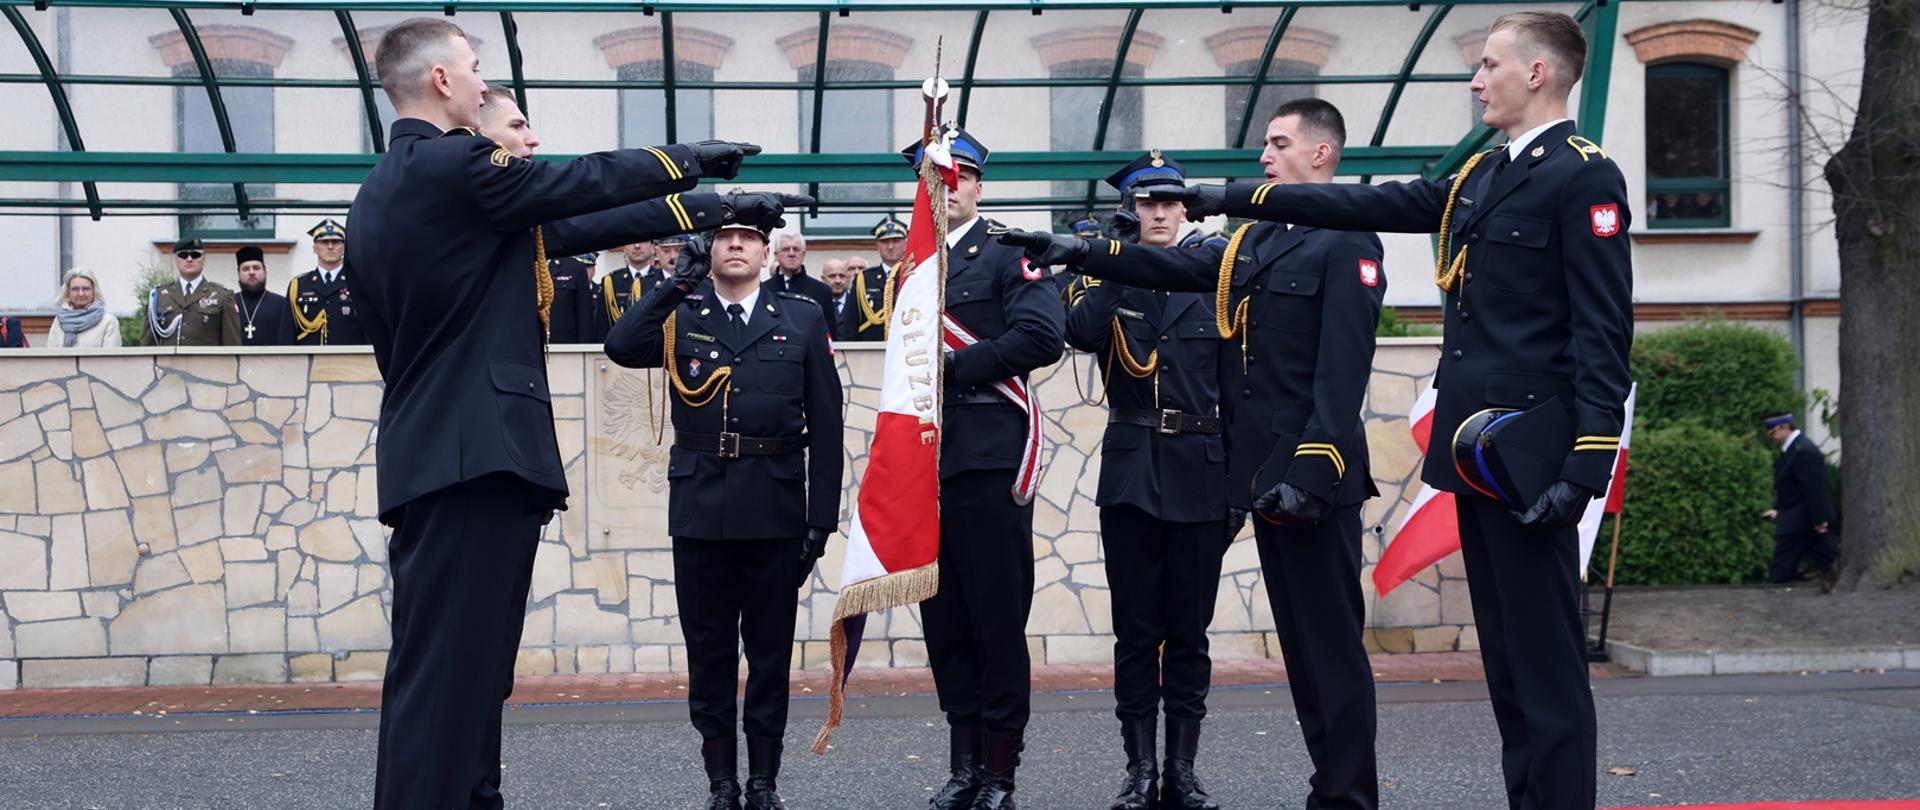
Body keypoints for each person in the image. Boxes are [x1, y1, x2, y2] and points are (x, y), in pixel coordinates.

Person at [1100, 13, 1631, 809]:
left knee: (1547, 676)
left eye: (1489, 65)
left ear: (1538, 73)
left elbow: (1603, 330)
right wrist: (1222, 196)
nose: (1476, 80)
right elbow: (1373, 202)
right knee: (1509, 674)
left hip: (1535, 456)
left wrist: (1588, 464)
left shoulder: (1583, 176)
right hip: (1479, 455)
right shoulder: (1482, 175)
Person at [343, 16, 764, 808]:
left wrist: (712, 206)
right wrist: (688, 158)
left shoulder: (386, 191)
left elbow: (574, 223)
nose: (480, 81)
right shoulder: (453, 163)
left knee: (465, 676)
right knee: (448, 681)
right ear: (441, 79)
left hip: (446, 454)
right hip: (471, 459)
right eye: (473, 66)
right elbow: (577, 186)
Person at [1007, 106, 1388, 808]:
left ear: (1321, 153)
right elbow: (1173, 268)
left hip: (1313, 477)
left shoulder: (1345, 240)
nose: (1263, 154)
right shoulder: (1262, 237)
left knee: (1331, 650)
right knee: (1303, 656)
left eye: (1277, 142)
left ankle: (1349, 797)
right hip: (1267, 478)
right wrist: (1078, 252)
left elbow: (1342, 372)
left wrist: (1313, 469)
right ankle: (1328, 789)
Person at [605, 216, 840, 810]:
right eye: (724, 237)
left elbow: (827, 424)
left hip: (775, 510)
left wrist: (821, 519)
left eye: (749, 238)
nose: (736, 244)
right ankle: (721, 784)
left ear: (766, 253)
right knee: (708, 653)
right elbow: (621, 346)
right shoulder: (682, 314)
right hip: (701, 508)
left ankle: (762, 783)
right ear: (706, 250)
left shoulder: (802, 317)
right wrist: (675, 284)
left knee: (770, 654)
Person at [1061, 151, 1241, 810]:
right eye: (1147, 203)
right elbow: (1079, 332)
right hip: (1132, 470)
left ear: (1185, 208)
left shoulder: (1214, 275)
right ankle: (1138, 769)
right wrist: (1115, 262)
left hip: (1200, 469)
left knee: (1189, 634)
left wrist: (1237, 487)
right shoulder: (1108, 269)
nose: (1160, 212)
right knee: (1136, 632)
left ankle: (1181, 771)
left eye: (1170, 202)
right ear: (1130, 210)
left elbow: (1235, 389)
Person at [908, 128, 1064, 810]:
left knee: (996, 620)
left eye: (957, 177)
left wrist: (954, 366)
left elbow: (1042, 335)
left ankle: (1000, 773)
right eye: (932, 179)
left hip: (986, 456)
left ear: (977, 185)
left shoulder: (1007, 253)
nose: (945, 190)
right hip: (925, 462)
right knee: (944, 622)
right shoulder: (912, 265)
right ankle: (963, 767)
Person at [1762, 413, 1837, 590]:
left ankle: (1775, 587)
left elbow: (1813, 488)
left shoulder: (1802, 451)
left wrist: (1819, 519)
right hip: (1800, 516)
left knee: (1782, 565)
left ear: (1785, 427)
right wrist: (1778, 508)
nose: (1771, 437)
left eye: (1772, 432)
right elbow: (1790, 486)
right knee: (1824, 554)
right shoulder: (1793, 449)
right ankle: (1834, 577)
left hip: (1801, 517)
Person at [141, 238, 242, 347]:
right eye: (183, 255)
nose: (189, 259)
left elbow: (232, 344)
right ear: (176, 259)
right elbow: (147, 345)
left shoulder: (222, 296)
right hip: (168, 358)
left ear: (203, 258)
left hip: (206, 358)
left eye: (195, 255)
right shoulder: (159, 296)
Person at [286, 218, 365, 346]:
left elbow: (368, 328)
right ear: (314, 248)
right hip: (308, 357)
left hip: (348, 357)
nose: (330, 247)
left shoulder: (358, 283)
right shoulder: (298, 285)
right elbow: (287, 332)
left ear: (344, 248)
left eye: (336, 242)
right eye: (324, 242)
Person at [842, 215, 905, 342]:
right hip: (871, 350)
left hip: (905, 347)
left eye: (896, 241)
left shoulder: (914, 276)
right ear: (877, 245)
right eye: (885, 242)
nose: (890, 246)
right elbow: (850, 323)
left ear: (905, 243)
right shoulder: (863, 280)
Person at [764, 232, 836, 335]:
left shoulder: (822, 291)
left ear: (803, 255)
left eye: (796, 249)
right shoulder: (764, 290)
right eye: (786, 249)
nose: (792, 254)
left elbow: (829, 334)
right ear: (776, 255)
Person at [597, 241, 668, 342]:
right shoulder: (611, 281)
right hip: (620, 345)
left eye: (643, 241)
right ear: (624, 248)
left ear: (653, 248)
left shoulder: (664, 279)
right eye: (632, 241)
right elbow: (602, 325)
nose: (637, 246)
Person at [47, 268, 121, 348]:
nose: (81, 294)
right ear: (68, 292)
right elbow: (50, 353)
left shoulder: (108, 322)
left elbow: (111, 355)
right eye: (75, 289)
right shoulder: (58, 321)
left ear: (94, 291)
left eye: (86, 289)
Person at [232, 246, 290, 346]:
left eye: (256, 268)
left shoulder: (281, 304)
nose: (251, 272)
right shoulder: (229, 303)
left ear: (265, 272)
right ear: (238, 274)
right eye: (246, 269)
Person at [821, 257, 853, 338]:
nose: (838, 281)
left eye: (842, 276)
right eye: (832, 276)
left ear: (848, 278)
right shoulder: (817, 304)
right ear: (823, 279)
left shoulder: (856, 303)